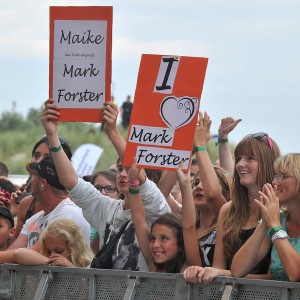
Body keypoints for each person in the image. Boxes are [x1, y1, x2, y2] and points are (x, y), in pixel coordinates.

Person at [40, 99, 170, 271]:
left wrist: (112, 131)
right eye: (120, 169)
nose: (123, 174)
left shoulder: (157, 209)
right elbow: (70, 180)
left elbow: (135, 166)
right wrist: (52, 136)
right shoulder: (106, 207)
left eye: (127, 170)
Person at [184, 132, 280, 284]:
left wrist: (226, 274)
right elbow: (217, 268)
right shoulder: (228, 210)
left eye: (250, 158)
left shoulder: (280, 210)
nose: (241, 164)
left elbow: (275, 277)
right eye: (239, 158)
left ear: (268, 162)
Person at [231, 153, 300, 281]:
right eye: (275, 176)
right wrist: (265, 222)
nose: (275, 182)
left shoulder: (276, 223)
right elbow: (237, 270)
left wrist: (274, 225)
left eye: (282, 176)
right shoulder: (279, 218)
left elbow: (295, 273)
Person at [126, 158, 200, 273]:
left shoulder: (189, 267)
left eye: (164, 238)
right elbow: (139, 221)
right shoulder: (153, 265)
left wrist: (185, 185)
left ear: (180, 243)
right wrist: (132, 183)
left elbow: (189, 227)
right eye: (152, 238)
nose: (155, 245)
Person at [7, 154, 90, 252]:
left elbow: (33, 253)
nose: (31, 181)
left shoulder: (66, 213)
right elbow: (11, 253)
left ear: (43, 183)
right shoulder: (37, 218)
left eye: (34, 177)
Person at [14, 135, 72, 239]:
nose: (39, 161)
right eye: (36, 155)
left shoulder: (73, 206)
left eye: (48, 157)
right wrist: (8, 214)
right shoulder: (26, 204)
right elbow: (15, 249)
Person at [14, 219, 94, 267]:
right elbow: (18, 253)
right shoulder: (48, 261)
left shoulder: (88, 265)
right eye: (48, 251)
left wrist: (70, 267)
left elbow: (85, 290)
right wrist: (49, 261)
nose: (52, 255)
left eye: (59, 251)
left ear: (74, 248)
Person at [90, 169, 123, 253]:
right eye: (97, 188)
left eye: (109, 188)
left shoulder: (123, 220)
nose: (102, 193)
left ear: (120, 193)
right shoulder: (82, 212)